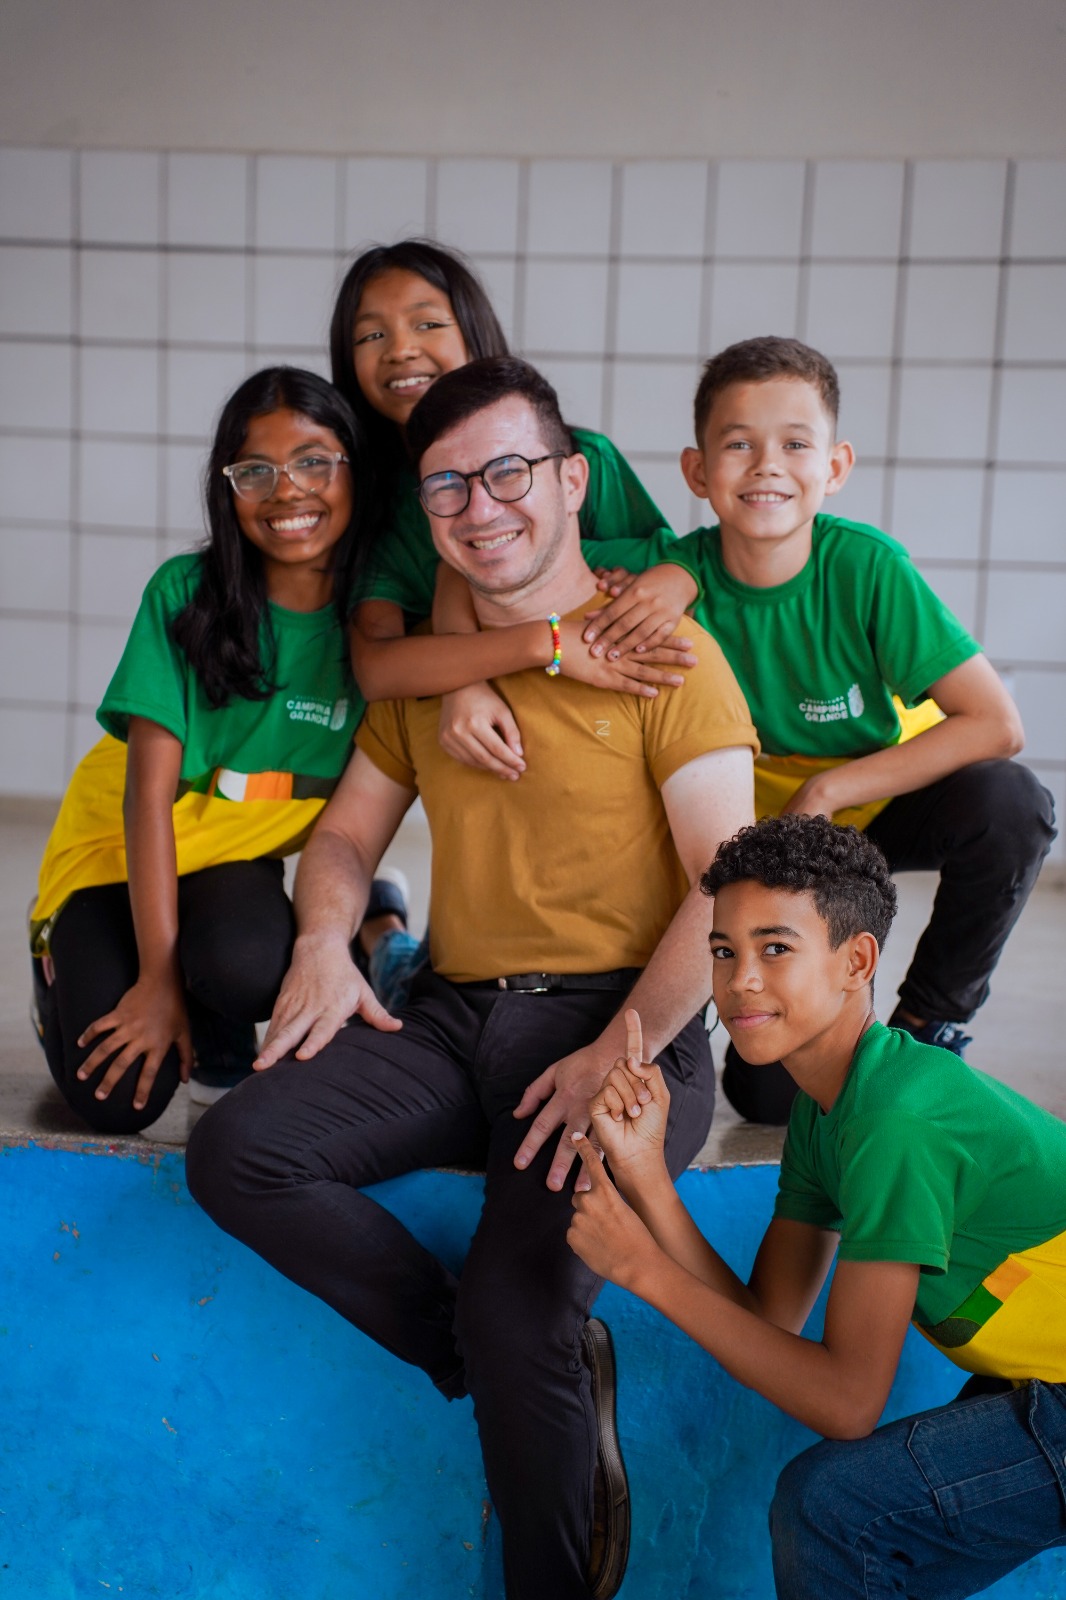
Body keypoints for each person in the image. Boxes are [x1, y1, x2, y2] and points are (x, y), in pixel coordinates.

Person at [185, 356, 759, 1600]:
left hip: (621, 1021)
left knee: (521, 1306)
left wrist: (621, 1046)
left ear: (570, 480)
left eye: (507, 473)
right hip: (452, 1014)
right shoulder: (443, 675)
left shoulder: (668, 657)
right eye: (447, 485)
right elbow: (344, 839)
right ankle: (498, 1356)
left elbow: (729, 888)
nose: (478, 506)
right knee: (238, 1152)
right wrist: (323, 939)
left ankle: (522, 1401)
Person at [568, 812, 1066, 1599]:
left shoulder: (897, 1122)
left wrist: (642, 1270)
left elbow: (847, 1403)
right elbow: (769, 1319)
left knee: (837, 1507)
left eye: (775, 949)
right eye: (723, 952)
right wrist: (647, 1178)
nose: (741, 980)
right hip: (1041, 1380)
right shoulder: (828, 1105)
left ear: (856, 961)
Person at [594, 334, 1055, 1121]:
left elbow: (995, 723)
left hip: (861, 808)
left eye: (795, 444)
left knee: (1011, 804)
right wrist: (657, 576)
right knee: (773, 1098)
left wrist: (829, 789)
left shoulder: (866, 568)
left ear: (835, 467)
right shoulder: (666, 573)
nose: (766, 466)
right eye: (739, 444)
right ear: (697, 472)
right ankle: (814, 1016)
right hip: (746, 842)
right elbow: (519, 549)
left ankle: (926, 1029)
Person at [29, 368, 375, 1135]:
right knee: (119, 1098)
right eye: (256, 471)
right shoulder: (186, 594)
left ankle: (232, 1007)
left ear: (356, 468)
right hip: (119, 852)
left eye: (314, 462)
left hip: (232, 859)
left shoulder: (379, 616)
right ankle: (55, 974)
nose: (287, 491)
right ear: (228, 487)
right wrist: (156, 981)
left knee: (249, 970)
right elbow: (145, 802)